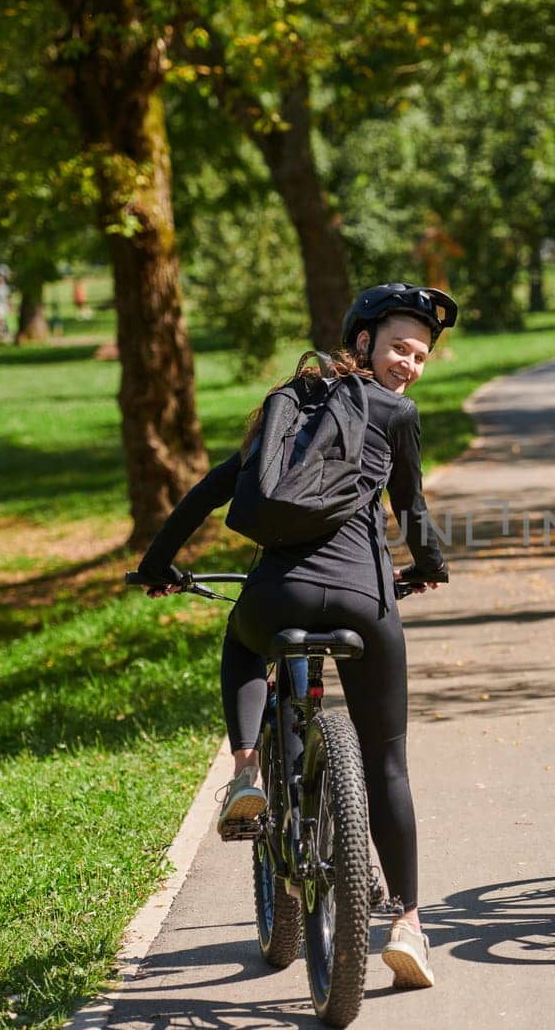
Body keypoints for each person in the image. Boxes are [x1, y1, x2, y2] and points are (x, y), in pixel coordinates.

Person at [134, 282, 455, 987]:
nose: (410, 363)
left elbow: (211, 489)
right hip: (366, 599)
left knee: (244, 637)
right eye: (401, 346)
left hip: (279, 593)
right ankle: (408, 923)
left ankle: (248, 766)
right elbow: (413, 509)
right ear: (363, 342)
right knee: (388, 762)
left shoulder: (287, 404)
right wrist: (431, 567)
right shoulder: (396, 414)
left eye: (422, 354)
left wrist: (157, 565)